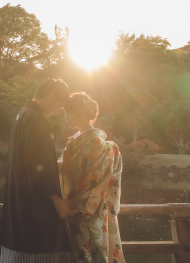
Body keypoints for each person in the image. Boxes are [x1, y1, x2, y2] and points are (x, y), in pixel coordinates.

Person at [1, 78, 73, 263]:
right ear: (50, 97)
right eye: (58, 105)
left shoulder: (22, 115)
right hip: (32, 205)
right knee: (38, 249)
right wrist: (56, 200)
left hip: (18, 200)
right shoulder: (35, 119)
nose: (57, 111)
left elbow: (32, 162)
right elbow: (38, 166)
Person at [60, 92, 125, 263]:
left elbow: (95, 183)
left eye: (69, 112)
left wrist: (69, 206)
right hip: (68, 209)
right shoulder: (73, 140)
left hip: (87, 212)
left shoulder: (97, 142)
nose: (66, 117)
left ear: (82, 112)